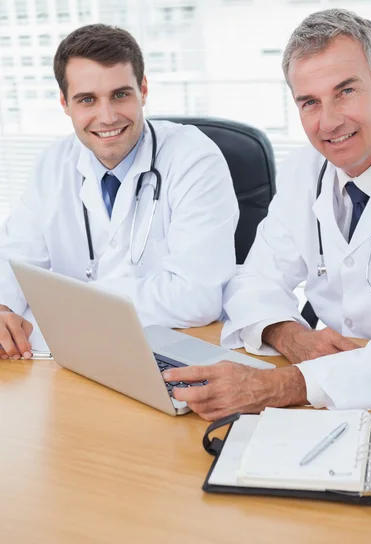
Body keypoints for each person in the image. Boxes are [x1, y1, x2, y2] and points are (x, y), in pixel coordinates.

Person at [163, 8, 371, 420]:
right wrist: (289, 334)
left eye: (346, 92)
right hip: (338, 400)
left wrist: (280, 386)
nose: (329, 122)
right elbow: (254, 277)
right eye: (310, 103)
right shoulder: (307, 168)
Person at [0, 24, 238, 360]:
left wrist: (68, 304)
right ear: (65, 103)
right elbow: (13, 258)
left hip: (174, 348)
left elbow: (196, 298)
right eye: (87, 100)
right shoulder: (53, 164)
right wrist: (3, 307)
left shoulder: (194, 158)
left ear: (143, 90)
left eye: (120, 94)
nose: (107, 116)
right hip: (79, 356)